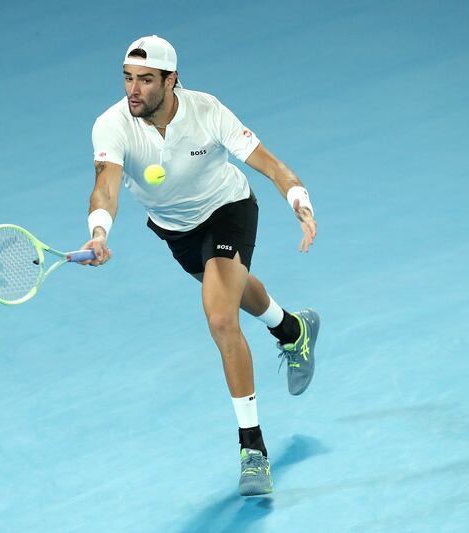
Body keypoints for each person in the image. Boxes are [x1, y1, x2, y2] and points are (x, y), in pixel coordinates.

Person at [81, 35, 320, 496]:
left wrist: (299, 200)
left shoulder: (207, 110)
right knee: (229, 288)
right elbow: (105, 186)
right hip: (176, 230)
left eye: (146, 80)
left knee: (219, 316)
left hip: (227, 208)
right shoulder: (111, 125)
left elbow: (269, 163)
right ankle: (292, 330)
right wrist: (99, 231)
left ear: (172, 81)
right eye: (128, 79)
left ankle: (253, 449)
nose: (134, 90)